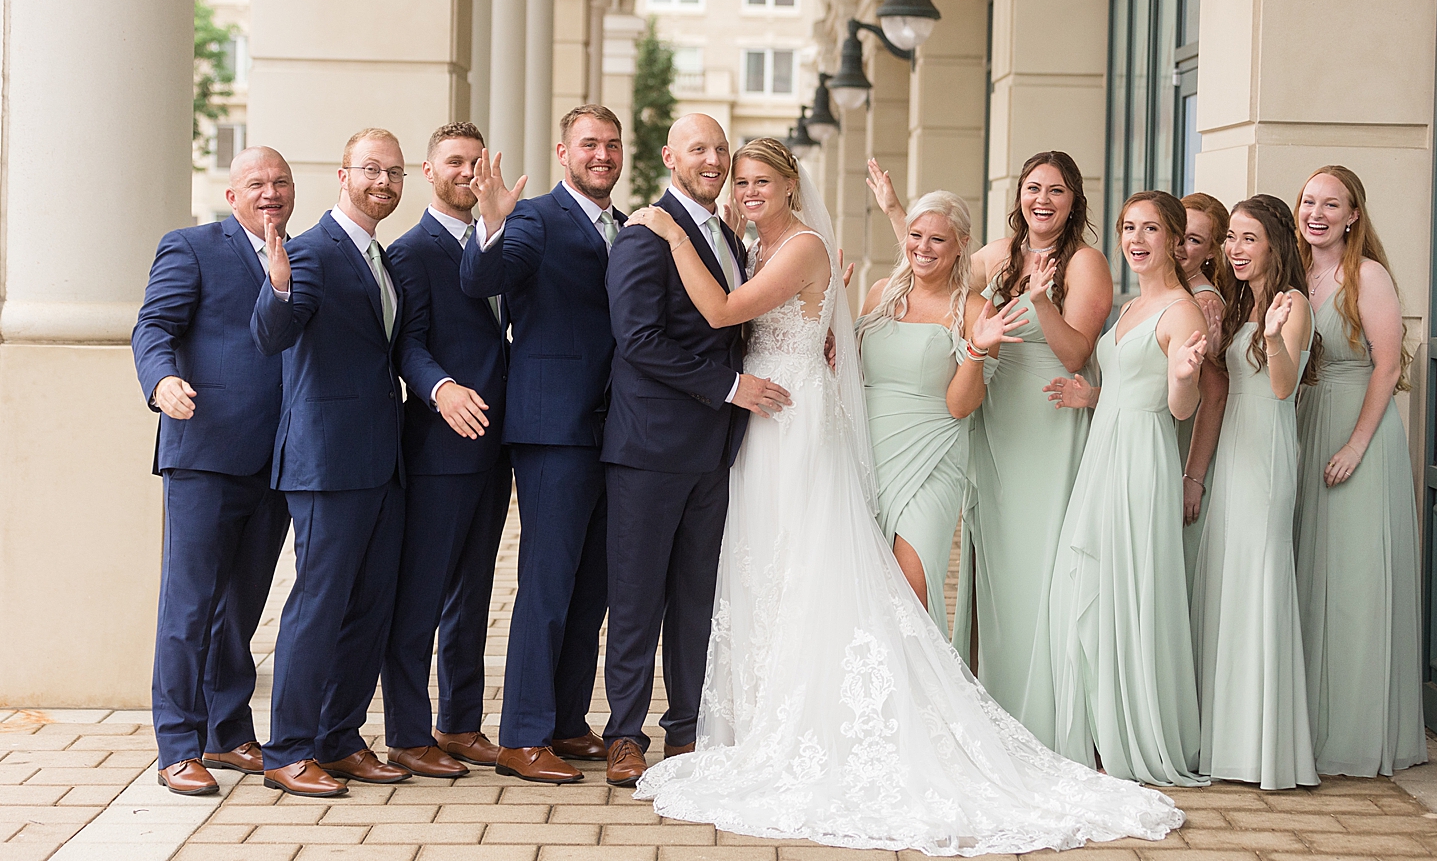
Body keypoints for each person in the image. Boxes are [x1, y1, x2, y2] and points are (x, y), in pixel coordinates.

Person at [622, 141, 1183, 854]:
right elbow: (873, 306)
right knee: (789, 567)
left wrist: (671, 232)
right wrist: (830, 331)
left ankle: (902, 717)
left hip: (887, 437)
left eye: (764, 179)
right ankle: (785, 708)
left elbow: (732, 312)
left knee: (889, 586)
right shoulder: (874, 287)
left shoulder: (831, 256)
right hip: (817, 430)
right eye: (745, 180)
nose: (749, 189)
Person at [870, 150, 1112, 746]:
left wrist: (1041, 300)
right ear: (1020, 196)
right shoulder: (1000, 255)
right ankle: (992, 703)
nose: (1043, 200)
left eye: (1056, 190)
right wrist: (898, 212)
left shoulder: (1086, 262)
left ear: (1073, 199)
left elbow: (1076, 352)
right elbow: (933, 261)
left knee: (1043, 564)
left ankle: (1048, 716)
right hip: (990, 414)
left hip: (1047, 414)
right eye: (1034, 188)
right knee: (996, 565)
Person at [599, 114, 791, 787]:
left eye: (720, 149)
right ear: (669, 158)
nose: (713, 160)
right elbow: (638, 339)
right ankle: (624, 734)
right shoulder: (645, 234)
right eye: (699, 150)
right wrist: (731, 385)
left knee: (696, 598)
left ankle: (686, 731)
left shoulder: (729, 237)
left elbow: (741, 320)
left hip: (716, 451)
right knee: (636, 596)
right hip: (649, 448)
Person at [460, 105, 626, 783]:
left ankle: (563, 719)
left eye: (612, 145)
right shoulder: (533, 217)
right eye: (590, 144)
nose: (603, 155)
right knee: (548, 583)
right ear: (564, 152)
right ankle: (523, 734)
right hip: (554, 426)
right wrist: (493, 224)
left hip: (613, 425)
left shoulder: (625, 224)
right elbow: (482, 280)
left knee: (593, 587)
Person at [252, 127, 413, 796]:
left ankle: (339, 739)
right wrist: (279, 289)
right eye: (371, 169)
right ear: (342, 175)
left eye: (395, 173)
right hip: (327, 463)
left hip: (383, 460)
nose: (384, 182)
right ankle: (287, 750)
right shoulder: (311, 252)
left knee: (369, 607)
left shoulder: (385, 258)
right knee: (317, 608)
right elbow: (272, 335)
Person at [132, 147, 296, 795]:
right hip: (203, 453)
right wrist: (162, 380)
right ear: (232, 196)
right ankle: (178, 744)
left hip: (278, 461)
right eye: (256, 182)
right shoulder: (192, 247)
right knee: (189, 606)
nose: (270, 192)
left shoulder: (300, 257)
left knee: (242, 611)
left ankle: (228, 734)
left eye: (281, 181)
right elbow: (154, 326)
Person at [1045, 190, 1210, 787]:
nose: (1135, 240)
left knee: (1128, 588)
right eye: (1126, 228)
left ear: (1172, 238)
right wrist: (1091, 396)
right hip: (1105, 452)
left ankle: (1127, 729)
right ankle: (1094, 724)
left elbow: (1178, 406)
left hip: (1142, 460)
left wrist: (1185, 377)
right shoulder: (1131, 308)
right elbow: (1120, 383)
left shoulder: (1181, 312)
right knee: (1089, 582)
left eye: (1149, 229)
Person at [379, 122, 511, 778]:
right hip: (440, 441)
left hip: (496, 446)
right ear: (430, 173)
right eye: (454, 161)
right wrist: (440, 388)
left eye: (475, 161)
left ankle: (459, 723)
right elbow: (407, 342)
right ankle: (406, 731)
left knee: (474, 592)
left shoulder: (504, 238)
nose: (467, 170)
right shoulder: (409, 252)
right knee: (423, 593)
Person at [1293, 165, 1426, 776]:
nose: (1316, 213)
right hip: (1307, 425)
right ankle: (1310, 725)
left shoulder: (1365, 276)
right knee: (1309, 577)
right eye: (1308, 201)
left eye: (1331, 204)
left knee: (1353, 586)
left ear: (1353, 215)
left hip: (1359, 437)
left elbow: (1387, 367)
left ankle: (1355, 731)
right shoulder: (1297, 276)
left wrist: (1355, 445)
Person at [1191, 194, 1320, 790]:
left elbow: (1281, 387)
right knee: (1225, 582)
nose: (1235, 250)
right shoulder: (1239, 303)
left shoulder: (1292, 305)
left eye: (1248, 239)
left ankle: (1262, 748)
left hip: (1267, 455)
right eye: (1232, 239)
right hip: (1231, 454)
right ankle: (1223, 740)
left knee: (1259, 583)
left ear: (1274, 244)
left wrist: (1270, 336)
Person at [857, 188, 1025, 630]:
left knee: (912, 589)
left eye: (937, 240)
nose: (923, 248)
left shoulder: (975, 309)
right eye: (916, 235)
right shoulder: (878, 296)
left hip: (932, 456)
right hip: (869, 450)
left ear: (961, 245)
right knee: (864, 584)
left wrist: (975, 350)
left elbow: (960, 405)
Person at [1177, 192, 1231, 601]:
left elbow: (1214, 394)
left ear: (1213, 250)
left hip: (1184, 443)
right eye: (1176, 232)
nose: (1180, 246)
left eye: (1194, 240)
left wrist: (1193, 477)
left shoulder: (1203, 302)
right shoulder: (1169, 289)